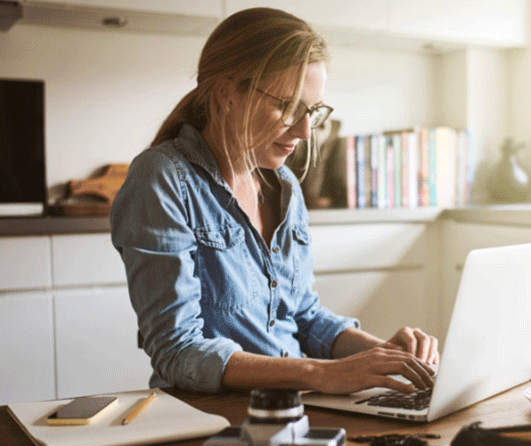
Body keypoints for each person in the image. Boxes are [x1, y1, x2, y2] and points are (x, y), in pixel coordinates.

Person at [110, 7, 439, 396]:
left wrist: (387, 356)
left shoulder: (284, 187)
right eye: (286, 107)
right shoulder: (163, 179)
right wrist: (319, 374)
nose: (303, 130)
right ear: (226, 94)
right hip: (210, 416)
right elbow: (177, 350)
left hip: (295, 406)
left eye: (312, 112)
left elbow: (303, 316)